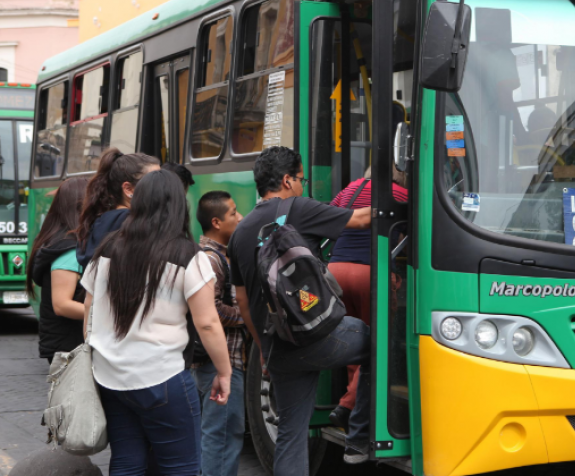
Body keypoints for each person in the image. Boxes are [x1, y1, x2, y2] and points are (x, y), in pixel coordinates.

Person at [228, 146, 372, 475]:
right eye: (301, 178)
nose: (303, 185)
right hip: (317, 338)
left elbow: (243, 302)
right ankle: (360, 434)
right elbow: (362, 218)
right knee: (380, 345)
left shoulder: (240, 232)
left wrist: (264, 349)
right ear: (287, 180)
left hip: (278, 347)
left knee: (291, 436)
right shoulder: (298, 208)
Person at [81, 170, 232, 475]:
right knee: (182, 466)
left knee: (126, 461)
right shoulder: (188, 255)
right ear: (178, 205)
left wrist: (97, 353)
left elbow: (89, 308)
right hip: (161, 377)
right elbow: (207, 324)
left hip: (110, 376)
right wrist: (224, 372)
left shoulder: (108, 249)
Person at [326, 167, 407, 432]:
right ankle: (350, 407)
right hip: (369, 274)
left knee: (354, 343)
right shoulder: (401, 194)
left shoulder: (352, 188)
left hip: (336, 272)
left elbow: (330, 217)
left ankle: (350, 403)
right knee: (376, 344)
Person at [191, 191, 245, 476]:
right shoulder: (211, 259)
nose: (240, 217)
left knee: (216, 433)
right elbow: (211, 311)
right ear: (216, 222)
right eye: (234, 213)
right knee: (222, 435)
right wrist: (246, 317)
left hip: (216, 361)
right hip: (221, 361)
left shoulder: (214, 254)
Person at [26, 177, 90, 363]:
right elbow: (62, 305)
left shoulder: (62, 241)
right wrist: (104, 313)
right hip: (69, 347)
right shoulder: (69, 248)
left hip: (66, 345)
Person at [76, 148, 160, 269]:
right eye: (155, 181)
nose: (164, 185)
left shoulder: (101, 221)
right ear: (128, 189)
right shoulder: (134, 224)